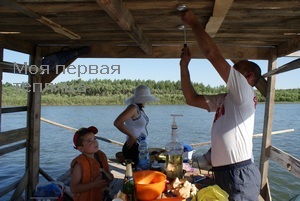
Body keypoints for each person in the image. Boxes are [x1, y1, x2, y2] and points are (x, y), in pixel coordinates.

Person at [180, 10, 261, 200]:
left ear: (248, 77)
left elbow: (211, 53)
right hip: (225, 174)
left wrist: (193, 22)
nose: (230, 74)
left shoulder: (244, 92)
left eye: (236, 70)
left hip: (239, 175)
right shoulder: (228, 99)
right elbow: (191, 98)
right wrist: (184, 66)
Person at [114, 85, 158, 168]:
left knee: (139, 173)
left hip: (140, 147)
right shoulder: (133, 108)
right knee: (135, 175)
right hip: (133, 147)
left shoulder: (138, 108)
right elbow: (117, 122)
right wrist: (131, 136)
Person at [70, 126, 114, 201]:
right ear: (81, 148)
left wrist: (109, 177)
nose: (95, 142)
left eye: (94, 138)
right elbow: (73, 189)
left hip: (104, 197)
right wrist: (94, 185)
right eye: (89, 141)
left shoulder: (101, 156)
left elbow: (109, 176)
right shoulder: (79, 165)